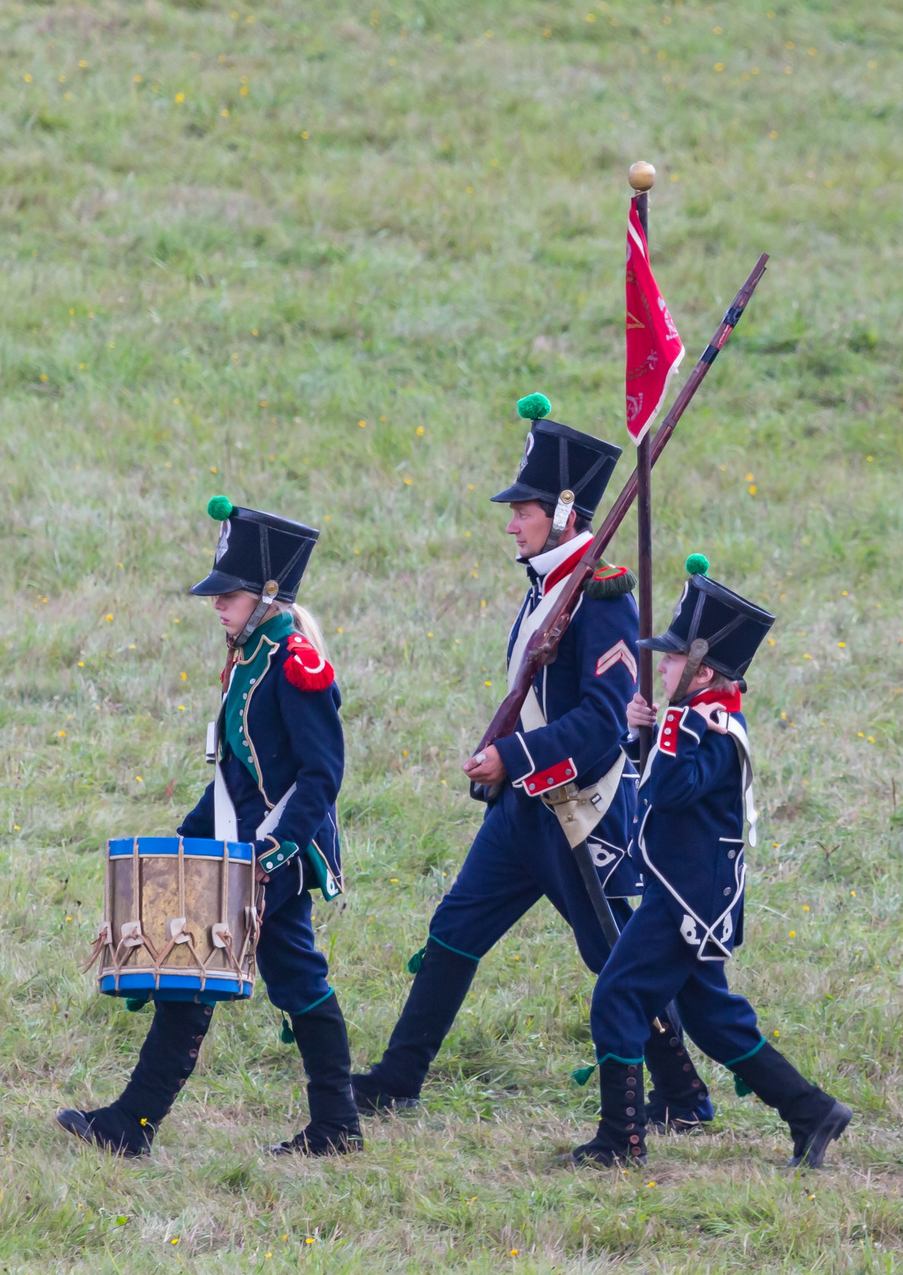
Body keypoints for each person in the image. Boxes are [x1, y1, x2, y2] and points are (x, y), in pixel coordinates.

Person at [349, 395, 714, 1128]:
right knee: (453, 928)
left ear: (565, 511)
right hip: (523, 808)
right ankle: (399, 1077)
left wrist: (509, 754)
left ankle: (684, 1094)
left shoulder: (602, 596)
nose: (511, 521)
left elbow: (601, 725)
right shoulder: (551, 584)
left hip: (575, 813)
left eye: (523, 508)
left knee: (612, 957)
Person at [58, 498, 362, 1157]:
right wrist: (185, 840)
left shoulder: (294, 661)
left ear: (267, 592)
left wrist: (268, 855)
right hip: (240, 846)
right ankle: (337, 1123)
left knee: (191, 971)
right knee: (298, 977)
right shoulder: (251, 652)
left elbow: (320, 777)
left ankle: (131, 1124)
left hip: (278, 849)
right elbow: (236, 774)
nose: (217, 603)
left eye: (228, 592)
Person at [572, 557, 852, 1168]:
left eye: (673, 659)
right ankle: (812, 1112)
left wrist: (666, 728)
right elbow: (661, 788)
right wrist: (644, 733)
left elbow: (671, 792)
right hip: (684, 886)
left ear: (702, 668)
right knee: (713, 1020)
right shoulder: (693, 721)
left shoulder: (712, 727)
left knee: (617, 997)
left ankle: (620, 1141)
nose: (662, 665)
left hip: (686, 895)